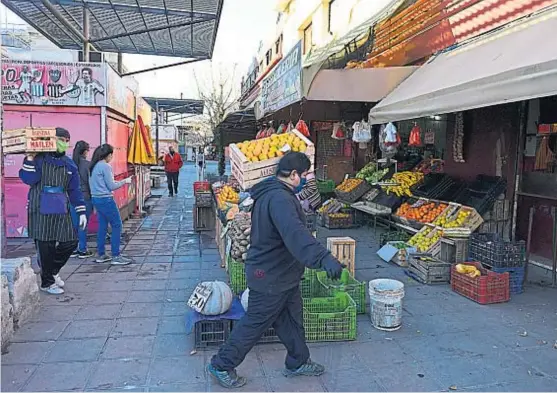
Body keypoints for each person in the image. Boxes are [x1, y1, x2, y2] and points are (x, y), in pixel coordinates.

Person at [208, 152, 344, 388]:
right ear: (293, 175)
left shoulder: (272, 192)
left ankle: (298, 361)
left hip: (283, 273)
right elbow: (295, 234)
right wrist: (323, 258)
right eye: (304, 175)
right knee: (256, 322)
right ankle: (221, 364)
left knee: (291, 319)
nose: (305, 180)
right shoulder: (280, 199)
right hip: (269, 274)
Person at [19, 127, 88, 295]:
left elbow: (74, 190)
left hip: (60, 207)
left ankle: (52, 270)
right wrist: (29, 158)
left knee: (70, 241)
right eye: (60, 139)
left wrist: (81, 211)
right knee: (46, 246)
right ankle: (47, 282)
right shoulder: (39, 159)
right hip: (40, 208)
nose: (63, 143)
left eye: (66, 140)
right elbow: (29, 179)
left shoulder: (70, 164)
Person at [89, 144, 132, 265]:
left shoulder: (93, 166)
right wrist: (125, 181)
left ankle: (101, 254)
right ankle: (116, 256)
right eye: (112, 155)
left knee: (102, 226)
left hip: (96, 199)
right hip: (106, 200)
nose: (112, 157)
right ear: (108, 155)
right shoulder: (105, 166)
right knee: (117, 225)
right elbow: (112, 186)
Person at [70, 141, 94, 258]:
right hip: (85, 198)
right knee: (83, 224)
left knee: (74, 224)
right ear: (85, 151)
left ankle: (73, 248)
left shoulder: (70, 163)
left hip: (72, 198)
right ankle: (83, 249)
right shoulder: (87, 165)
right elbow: (91, 183)